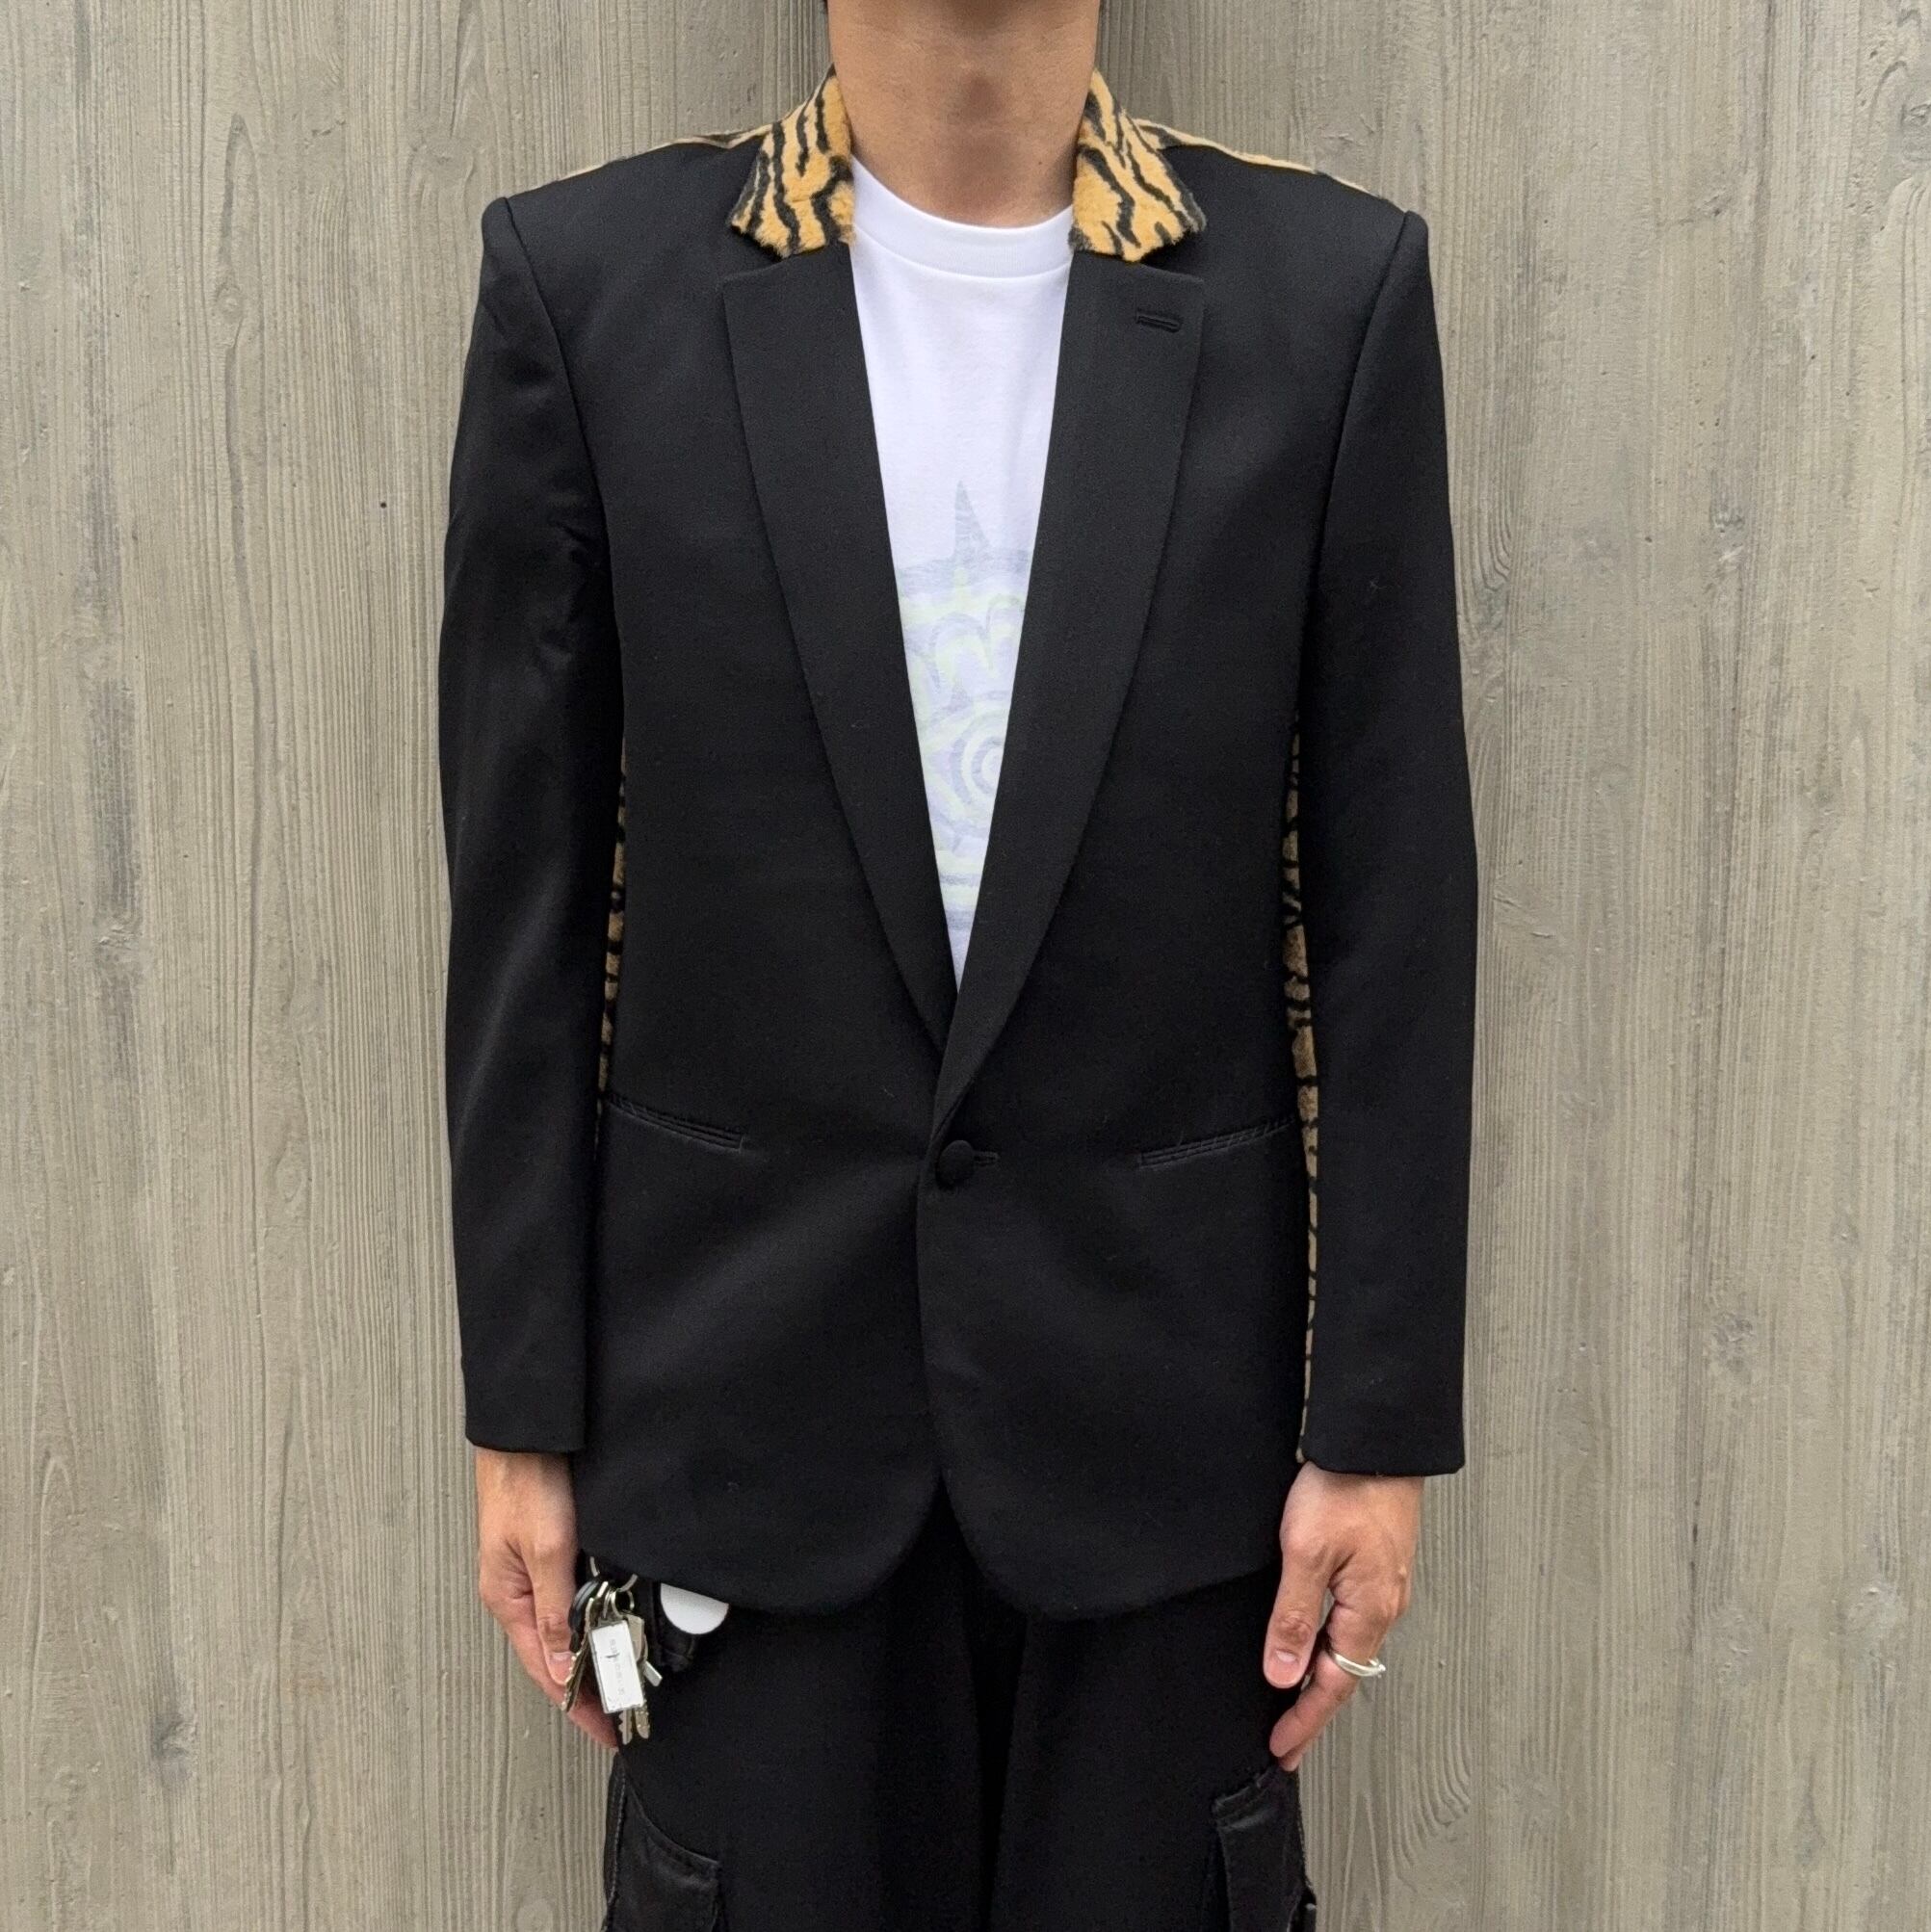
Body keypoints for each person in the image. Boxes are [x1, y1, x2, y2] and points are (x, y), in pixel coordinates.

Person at [435, 0, 1478, 1924]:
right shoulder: (590, 297)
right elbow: (524, 905)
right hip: (734, 1436)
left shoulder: (1321, 302)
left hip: (1172, 1457)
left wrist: (1375, 1430)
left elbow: (1393, 908)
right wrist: (523, 1409)